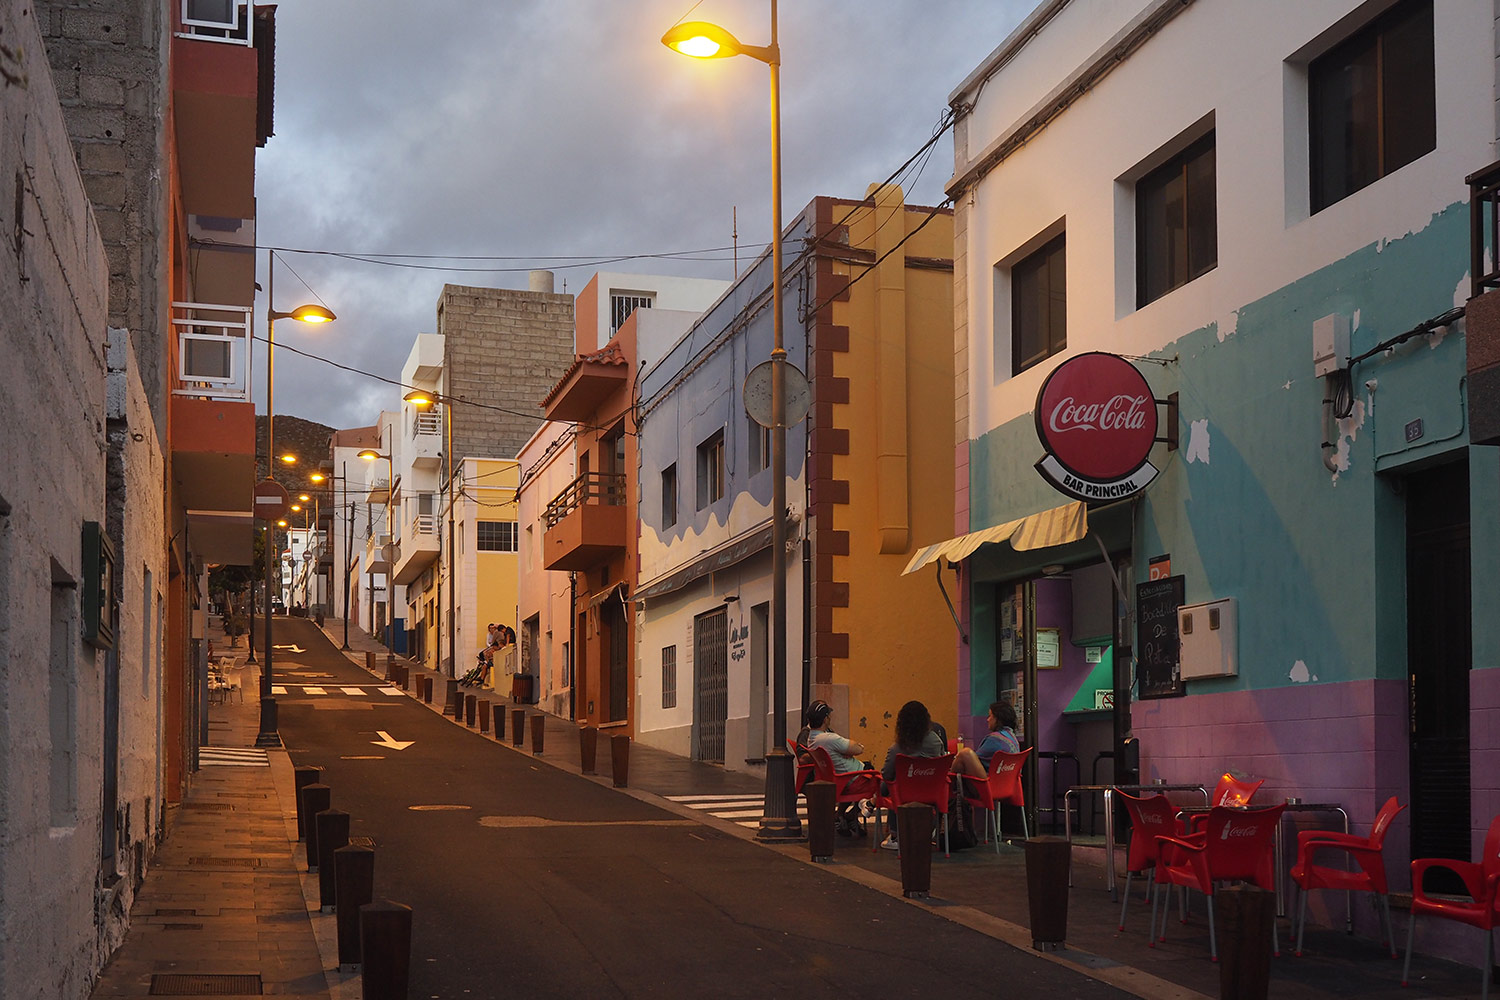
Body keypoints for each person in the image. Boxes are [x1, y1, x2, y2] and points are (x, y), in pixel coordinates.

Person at [878, 700, 947, 850]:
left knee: (890, 783)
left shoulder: (896, 749)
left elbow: (887, 775)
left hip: (904, 796)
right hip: (932, 793)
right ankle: (932, 829)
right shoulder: (936, 741)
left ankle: (896, 835)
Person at [804, 699, 873, 837]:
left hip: (841, 778)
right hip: (854, 780)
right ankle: (852, 815)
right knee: (884, 785)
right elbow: (858, 749)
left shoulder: (812, 738)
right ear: (825, 719)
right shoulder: (829, 739)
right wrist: (848, 750)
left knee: (868, 767)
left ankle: (842, 815)